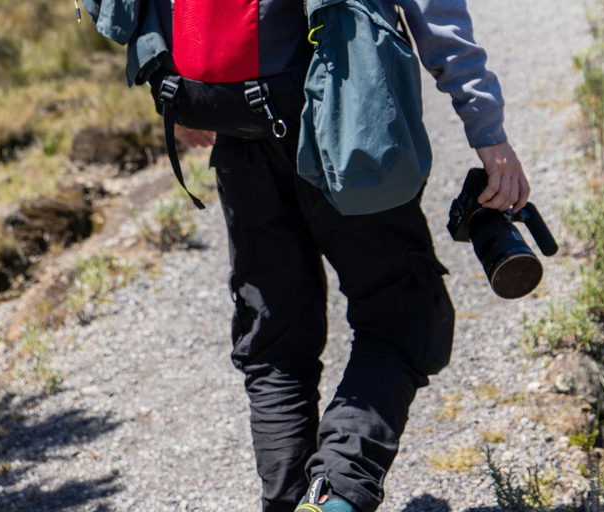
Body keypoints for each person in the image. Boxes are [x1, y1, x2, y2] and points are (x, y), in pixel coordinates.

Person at [84, 0, 530, 511]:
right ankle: (336, 493)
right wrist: (487, 130)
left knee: (274, 342)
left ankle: (289, 503)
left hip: (231, 114)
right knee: (403, 317)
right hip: (341, 116)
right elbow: (433, 8)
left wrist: (172, 82)